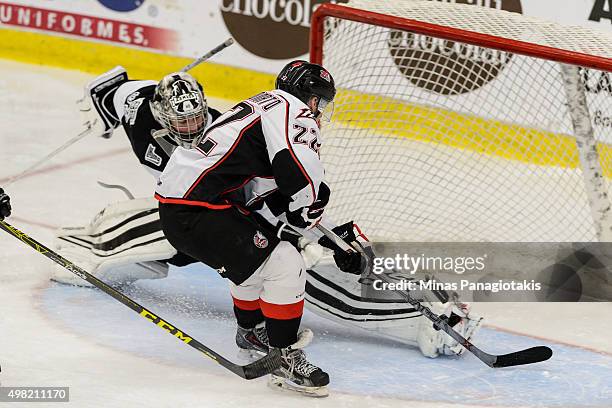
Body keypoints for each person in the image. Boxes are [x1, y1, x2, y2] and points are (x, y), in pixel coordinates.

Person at [155, 60, 338, 396]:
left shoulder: (264, 103)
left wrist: (302, 213)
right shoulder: (294, 110)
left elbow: (261, 187)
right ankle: (285, 358)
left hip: (184, 204)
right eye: (320, 103)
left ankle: (251, 331)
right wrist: (307, 208)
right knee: (284, 261)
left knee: (257, 259)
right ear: (309, 98)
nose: (319, 112)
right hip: (197, 209)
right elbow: (298, 170)